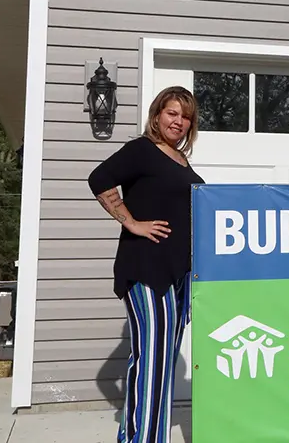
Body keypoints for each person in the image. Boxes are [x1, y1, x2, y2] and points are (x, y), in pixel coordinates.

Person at [87, 86, 205, 443]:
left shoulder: (180, 160)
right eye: (172, 113)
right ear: (157, 116)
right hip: (146, 269)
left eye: (185, 117)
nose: (178, 122)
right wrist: (132, 222)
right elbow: (99, 179)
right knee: (151, 360)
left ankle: (139, 433)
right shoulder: (142, 150)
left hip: (179, 274)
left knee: (163, 362)